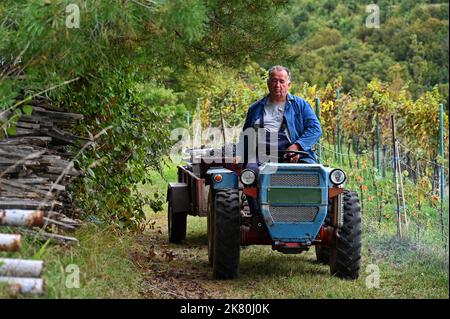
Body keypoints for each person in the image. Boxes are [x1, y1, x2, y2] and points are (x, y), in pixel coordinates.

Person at [241, 65, 322, 165]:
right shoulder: (255, 108)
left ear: (289, 85)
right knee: (249, 175)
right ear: (268, 83)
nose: (277, 85)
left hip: (294, 156)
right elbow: (246, 136)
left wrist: (297, 146)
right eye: (274, 81)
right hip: (260, 157)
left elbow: (315, 129)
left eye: (282, 81)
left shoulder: (301, 105)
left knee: (312, 176)